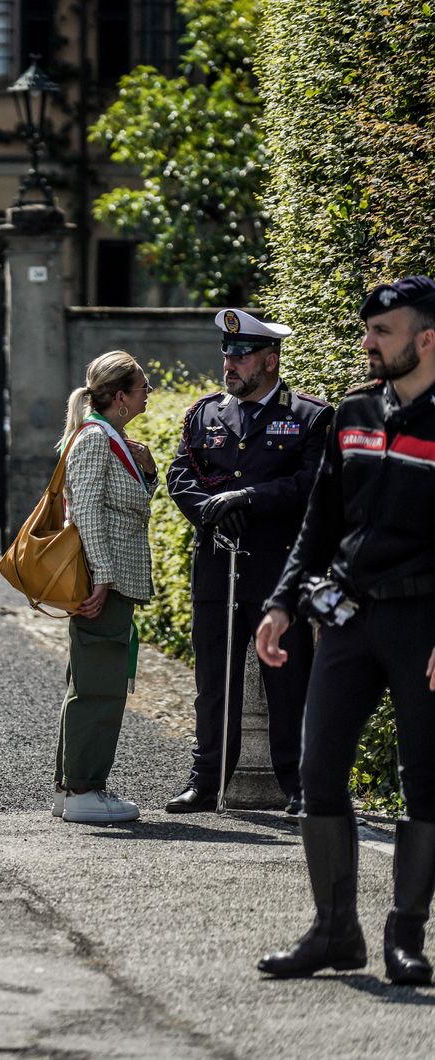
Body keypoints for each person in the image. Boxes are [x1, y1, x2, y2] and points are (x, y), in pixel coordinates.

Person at [256, 275, 435, 984]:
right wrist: (280, 604)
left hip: (424, 623)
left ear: (426, 339)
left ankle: (406, 940)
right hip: (349, 618)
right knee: (318, 772)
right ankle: (335, 933)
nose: (366, 344)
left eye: (381, 332)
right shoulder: (354, 412)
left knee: (425, 782)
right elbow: (319, 523)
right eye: (366, 331)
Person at [164, 310, 331, 815]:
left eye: (241, 356)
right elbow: (180, 476)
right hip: (220, 567)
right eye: (227, 354)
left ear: (270, 360)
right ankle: (207, 780)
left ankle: (301, 786)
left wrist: (246, 499)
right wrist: (213, 513)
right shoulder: (204, 415)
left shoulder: (310, 416)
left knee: (289, 680)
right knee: (214, 683)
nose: (230, 364)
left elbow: (314, 485)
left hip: (278, 572)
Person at [52, 351, 157, 825]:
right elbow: (87, 511)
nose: (148, 393)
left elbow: (119, 503)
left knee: (91, 682)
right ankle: (84, 790)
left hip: (106, 580)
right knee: (101, 687)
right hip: (103, 584)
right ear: (120, 397)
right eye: (142, 387)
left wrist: (148, 471)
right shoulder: (96, 439)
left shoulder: (108, 437)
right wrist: (104, 575)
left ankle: (72, 788)